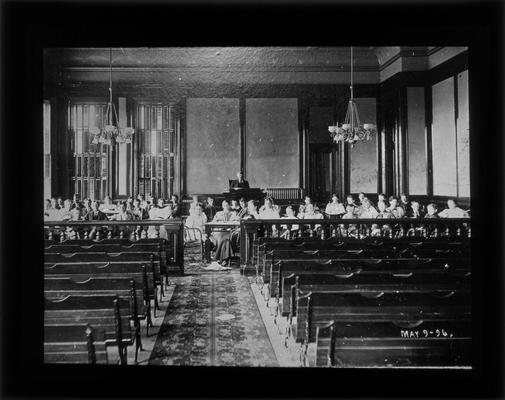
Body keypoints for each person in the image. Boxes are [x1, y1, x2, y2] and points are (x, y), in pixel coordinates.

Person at [207, 200, 240, 266]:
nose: (225, 206)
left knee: (226, 240)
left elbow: (238, 223)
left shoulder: (234, 213)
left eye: (227, 205)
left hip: (230, 232)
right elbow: (213, 223)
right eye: (224, 205)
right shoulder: (218, 213)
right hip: (219, 231)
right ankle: (225, 259)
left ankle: (221, 258)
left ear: (229, 206)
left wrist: (234, 222)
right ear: (222, 206)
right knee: (223, 238)